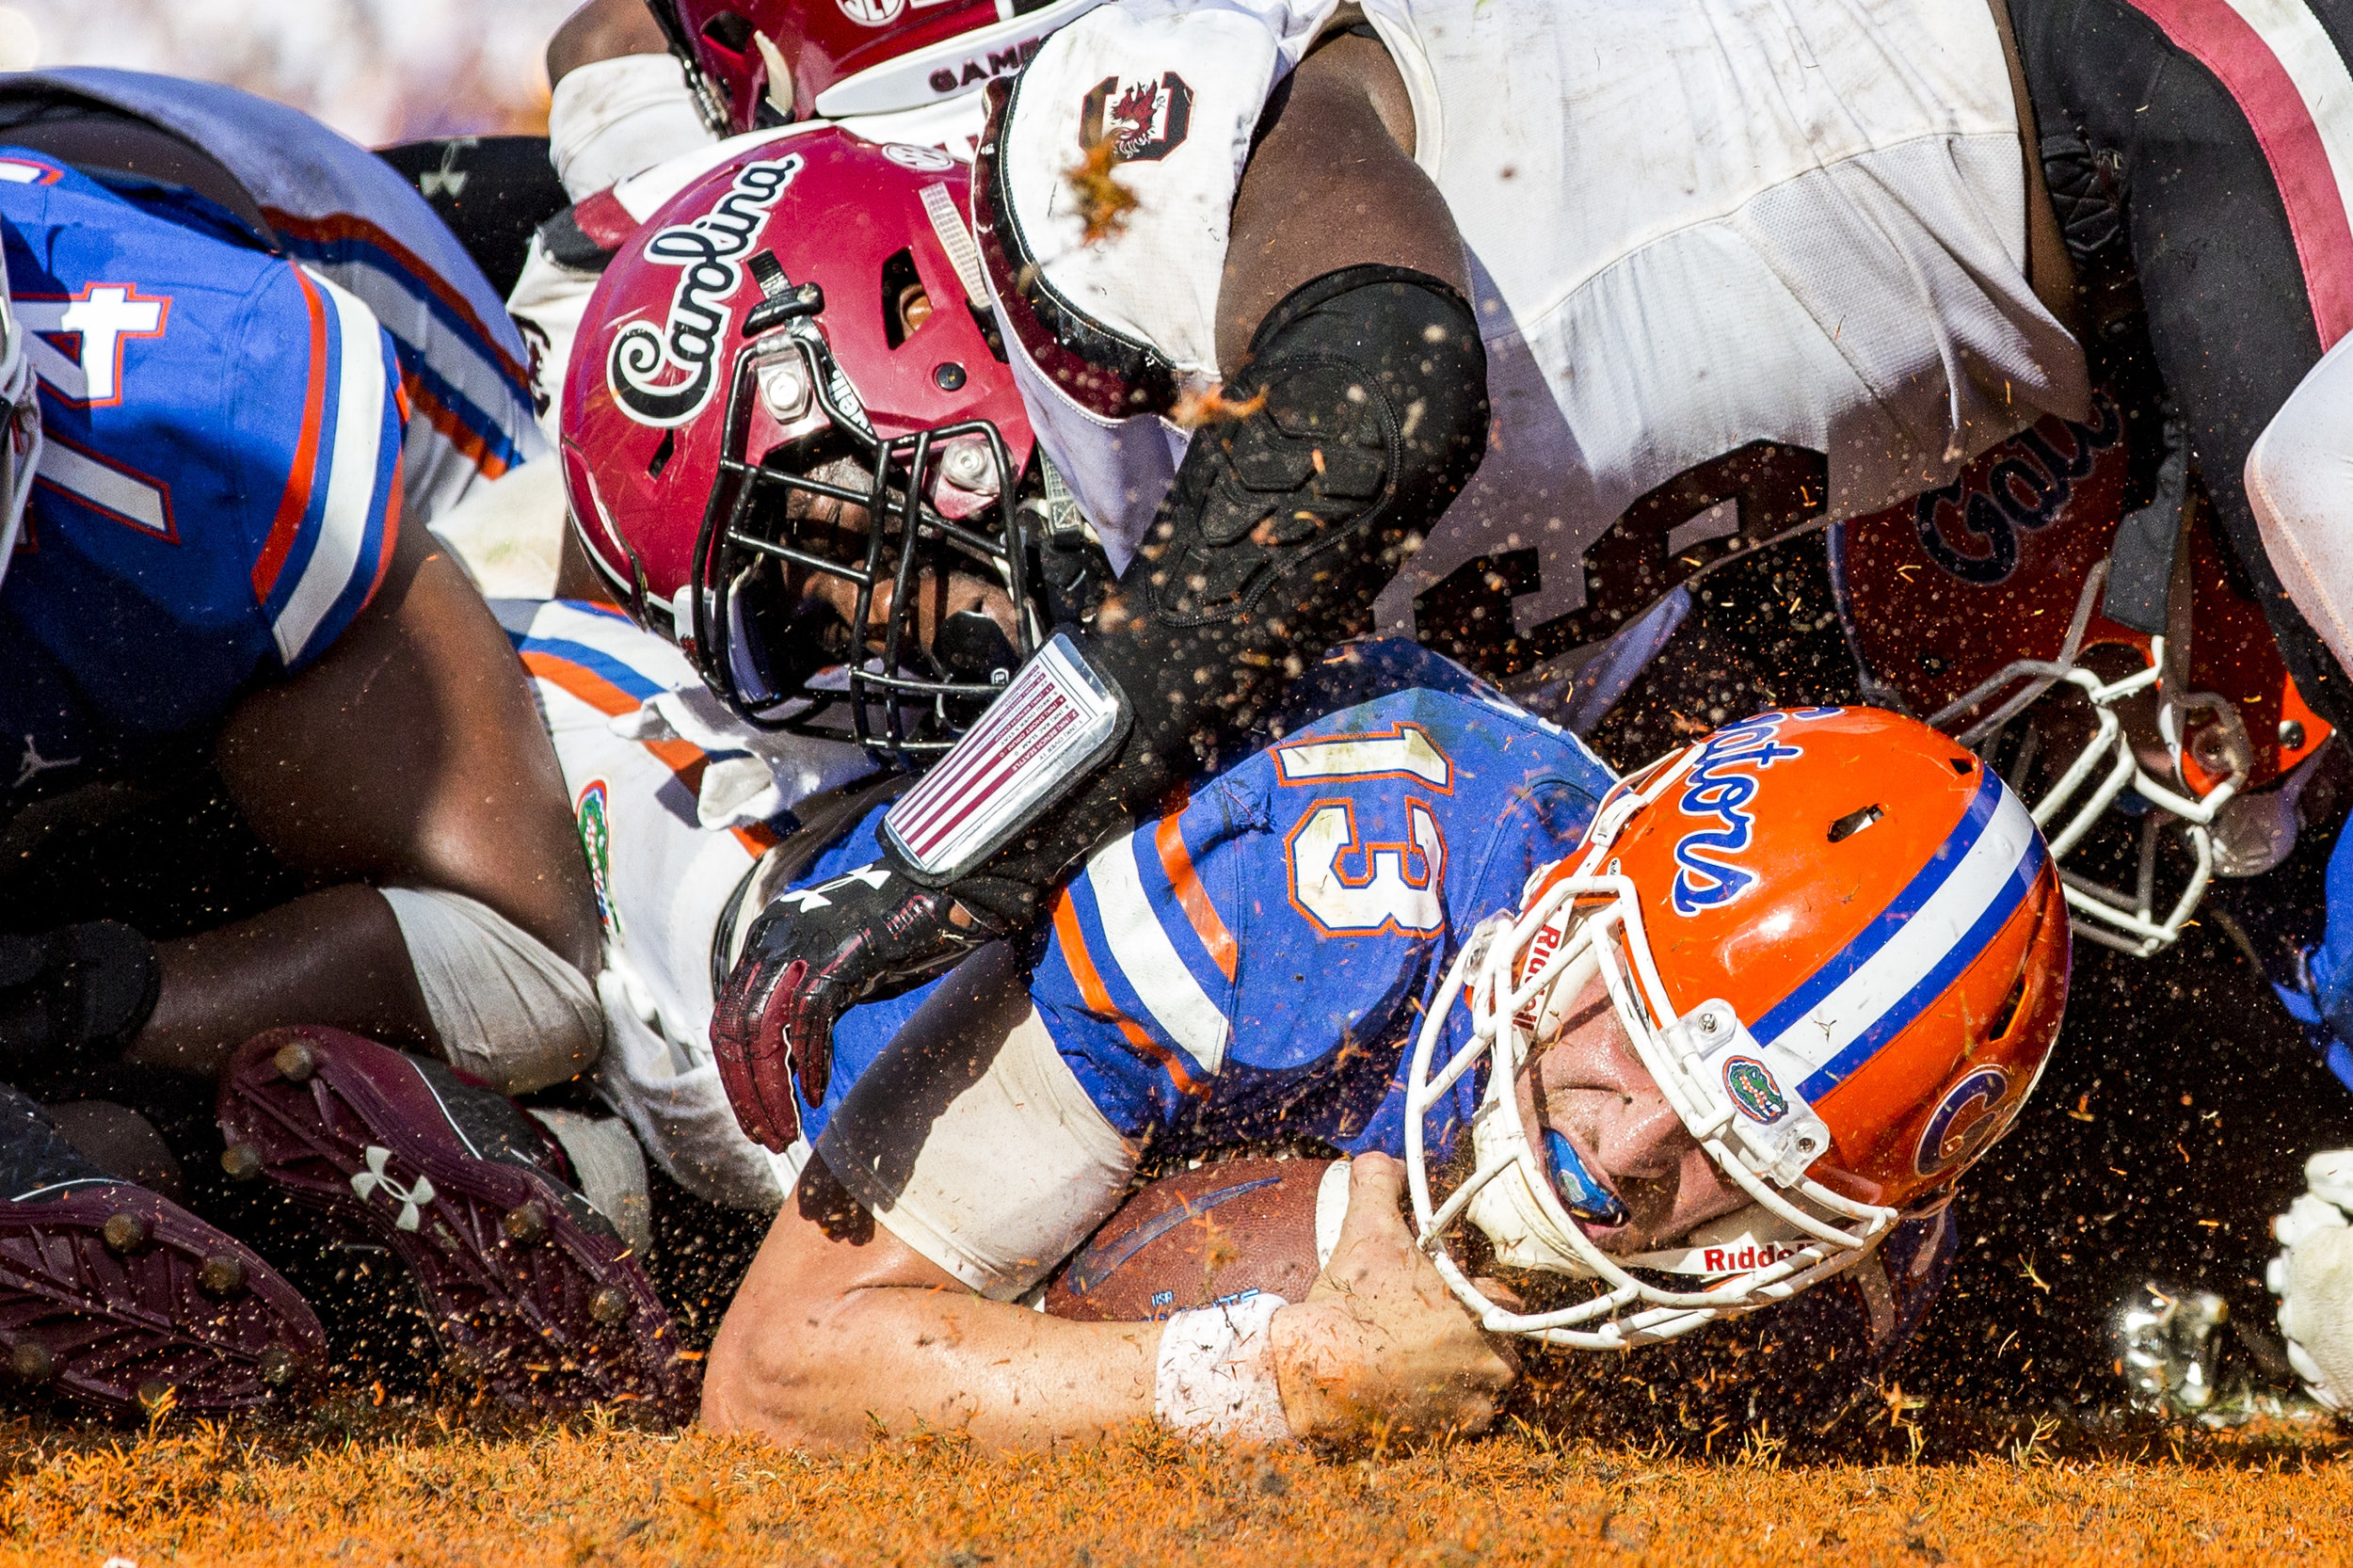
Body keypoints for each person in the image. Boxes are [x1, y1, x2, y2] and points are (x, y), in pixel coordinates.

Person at [689, 697, 2068, 1448]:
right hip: (763, 955)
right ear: (1587, 888)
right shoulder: (1321, 896)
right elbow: (772, 1377)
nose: (1624, 1151)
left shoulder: (1822, 1300)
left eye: (1742, 1164)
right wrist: (1279, 1379)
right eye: (1630, 1026)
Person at [0, 88, 671, 1416]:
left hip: (428, 455)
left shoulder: (212, 431)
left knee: (636, 927)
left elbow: (532, 958)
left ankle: (589, 1163)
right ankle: (129, 1175)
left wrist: (96, 992)